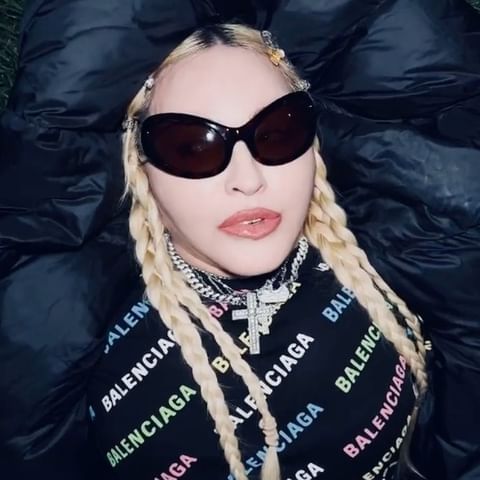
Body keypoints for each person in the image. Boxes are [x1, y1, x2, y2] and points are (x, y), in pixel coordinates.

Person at [86, 23, 429, 480]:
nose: (247, 180)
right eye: (192, 147)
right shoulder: (92, 350)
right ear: (139, 167)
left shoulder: (400, 264)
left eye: (277, 132)